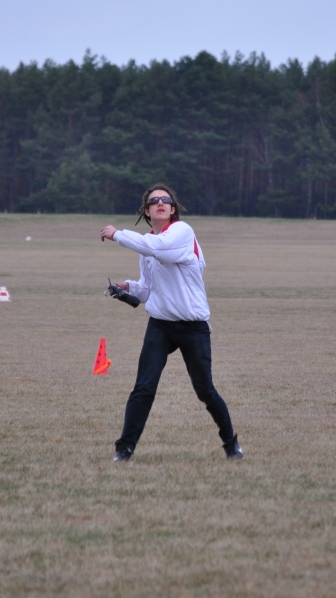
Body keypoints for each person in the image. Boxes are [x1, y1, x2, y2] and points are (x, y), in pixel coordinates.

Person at [100, 183, 243, 462]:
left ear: (173, 209)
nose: (160, 203)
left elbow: (158, 247)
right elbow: (147, 289)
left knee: (205, 391)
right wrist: (128, 288)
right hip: (161, 324)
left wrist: (117, 234)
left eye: (165, 200)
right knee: (144, 387)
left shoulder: (181, 232)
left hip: (193, 325)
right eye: (154, 201)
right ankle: (124, 450)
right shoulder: (146, 245)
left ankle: (231, 443)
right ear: (146, 211)